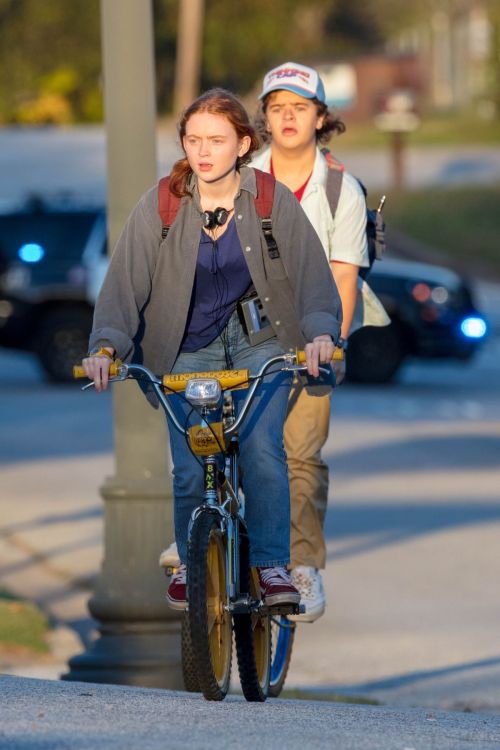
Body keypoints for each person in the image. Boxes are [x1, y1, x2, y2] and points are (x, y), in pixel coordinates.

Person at [82, 88, 343, 611]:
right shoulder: (161, 202)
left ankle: (270, 564)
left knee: (263, 450)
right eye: (194, 139)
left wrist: (319, 336)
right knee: (188, 463)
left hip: (260, 343)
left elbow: (314, 280)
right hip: (186, 346)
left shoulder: (270, 199)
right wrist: (106, 346)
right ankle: (191, 558)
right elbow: (124, 287)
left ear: (243, 144)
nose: (204, 151)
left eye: (217, 140)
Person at [251, 62, 390, 622]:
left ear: (320, 117)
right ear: (263, 117)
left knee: (298, 453)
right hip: (244, 334)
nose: (288, 117)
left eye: (300, 107)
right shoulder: (240, 176)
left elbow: (342, 276)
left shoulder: (341, 189)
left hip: (314, 335)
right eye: (277, 107)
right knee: (209, 430)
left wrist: (327, 344)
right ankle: (198, 540)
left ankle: (302, 564)